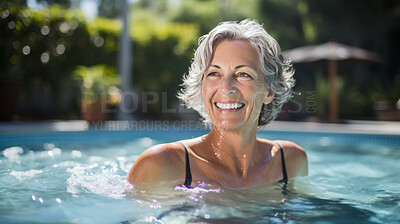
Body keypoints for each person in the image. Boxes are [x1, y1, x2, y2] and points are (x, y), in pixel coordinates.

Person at [127, 19, 307, 189]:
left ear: (269, 91)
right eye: (214, 73)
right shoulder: (161, 165)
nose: (226, 88)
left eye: (243, 74)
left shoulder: (289, 161)